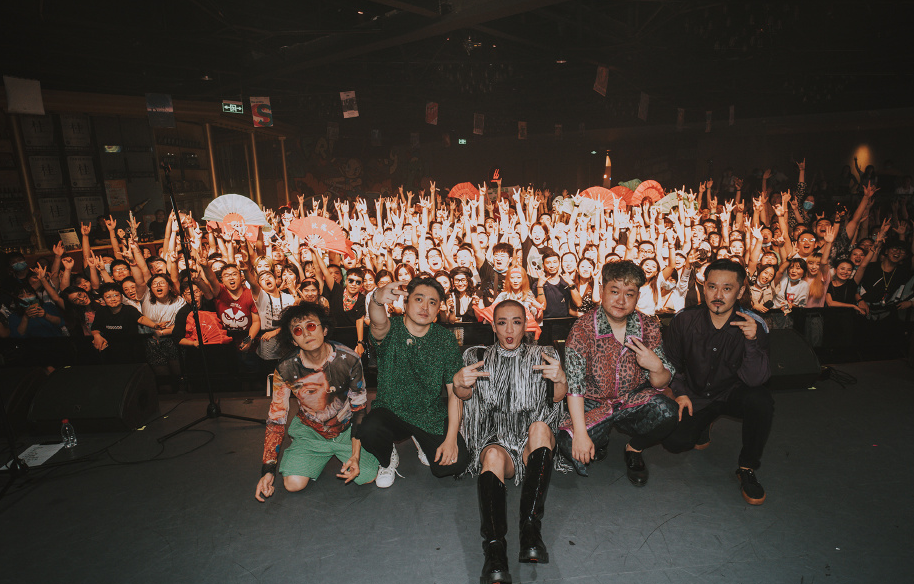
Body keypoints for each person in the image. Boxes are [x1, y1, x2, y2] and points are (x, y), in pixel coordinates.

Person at [453, 300, 567, 583]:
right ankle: (494, 549)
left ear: (525, 324)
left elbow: (556, 398)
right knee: (490, 458)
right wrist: (458, 382)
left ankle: (530, 529)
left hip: (532, 444)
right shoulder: (475, 356)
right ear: (493, 326)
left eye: (516, 322)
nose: (509, 329)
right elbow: (464, 396)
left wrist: (561, 379)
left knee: (540, 427)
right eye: (502, 322)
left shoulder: (545, 354)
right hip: (497, 440)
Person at [662, 259, 773, 505]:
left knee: (761, 401)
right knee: (675, 442)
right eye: (712, 287)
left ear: (741, 291)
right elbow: (671, 363)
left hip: (733, 392)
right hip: (695, 396)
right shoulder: (683, 320)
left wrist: (752, 341)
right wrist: (679, 393)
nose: (718, 295)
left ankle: (746, 468)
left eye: (727, 288)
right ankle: (704, 422)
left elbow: (756, 379)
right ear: (704, 288)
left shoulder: (754, 324)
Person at [556, 261, 677, 486]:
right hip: (594, 402)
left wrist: (656, 366)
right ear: (601, 290)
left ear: (637, 297)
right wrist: (581, 434)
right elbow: (574, 386)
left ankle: (634, 447)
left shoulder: (648, 327)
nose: (621, 301)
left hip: (632, 399)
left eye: (629, 294)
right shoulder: (583, 329)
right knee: (567, 442)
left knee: (669, 412)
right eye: (614, 291)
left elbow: (662, 381)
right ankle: (599, 441)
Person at [255, 303, 379, 502]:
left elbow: (359, 410)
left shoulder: (349, 359)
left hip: (346, 430)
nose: (306, 333)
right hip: (310, 431)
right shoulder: (286, 369)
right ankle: (309, 454)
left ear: (325, 329)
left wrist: (355, 456)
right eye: (297, 330)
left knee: (366, 477)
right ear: (293, 340)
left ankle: (368, 453)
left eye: (311, 326)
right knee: (293, 484)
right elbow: (276, 419)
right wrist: (268, 470)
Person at [356, 276, 470, 488]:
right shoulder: (392, 330)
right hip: (391, 411)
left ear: (438, 311)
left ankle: (420, 439)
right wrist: (377, 300)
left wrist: (452, 437)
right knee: (369, 428)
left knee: (454, 465)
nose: (425, 306)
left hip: (429, 414)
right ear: (406, 303)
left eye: (432, 302)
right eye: (419, 299)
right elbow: (379, 323)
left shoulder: (445, 340)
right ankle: (387, 459)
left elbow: (454, 391)